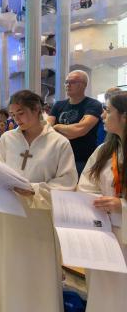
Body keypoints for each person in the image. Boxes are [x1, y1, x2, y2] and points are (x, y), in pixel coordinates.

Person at [0, 90, 78, 312]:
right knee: (8, 264)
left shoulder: (59, 143)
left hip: (39, 219)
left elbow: (68, 183)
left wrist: (33, 190)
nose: (17, 119)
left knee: (36, 269)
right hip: (8, 215)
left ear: (37, 109)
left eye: (22, 113)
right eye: (14, 114)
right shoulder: (8, 138)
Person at [78, 92, 127, 312]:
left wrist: (121, 206)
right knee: (102, 291)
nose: (103, 114)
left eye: (108, 110)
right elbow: (86, 184)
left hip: (123, 232)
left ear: (124, 116)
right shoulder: (104, 151)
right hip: (104, 232)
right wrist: (95, 200)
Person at [48, 70, 103, 175]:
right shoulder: (58, 105)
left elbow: (80, 130)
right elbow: (47, 129)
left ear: (84, 85)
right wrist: (70, 130)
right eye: (66, 82)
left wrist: (57, 126)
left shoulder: (93, 104)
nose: (68, 85)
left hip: (82, 160)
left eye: (72, 82)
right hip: (58, 158)